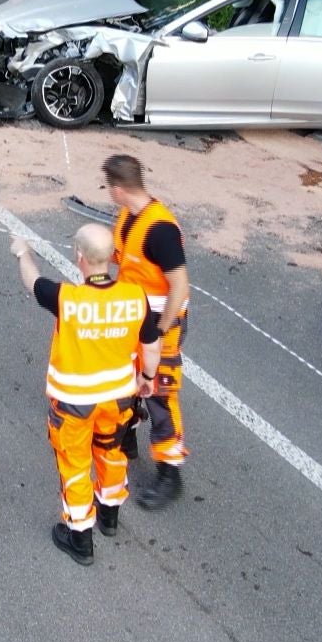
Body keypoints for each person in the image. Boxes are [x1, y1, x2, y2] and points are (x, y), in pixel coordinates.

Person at [13, 225, 161, 566]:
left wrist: (23, 252)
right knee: (111, 454)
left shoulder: (68, 299)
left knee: (76, 466)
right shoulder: (135, 297)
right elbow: (151, 347)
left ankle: (80, 537)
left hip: (74, 404)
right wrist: (147, 379)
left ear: (79, 257)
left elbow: (33, 281)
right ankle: (109, 515)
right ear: (110, 258)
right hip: (119, 400)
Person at [102, 154, 190, 508]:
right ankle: (128, 439)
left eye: (109, 186)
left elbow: (179, 285)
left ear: (119, 189)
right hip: (133, 320)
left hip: (158, 325)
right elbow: (126, 261)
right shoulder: (128, 216)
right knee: (127, 379)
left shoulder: (160, 229)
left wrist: (161, 329)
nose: (109, 193)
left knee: (159, 394)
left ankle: (171, 471)